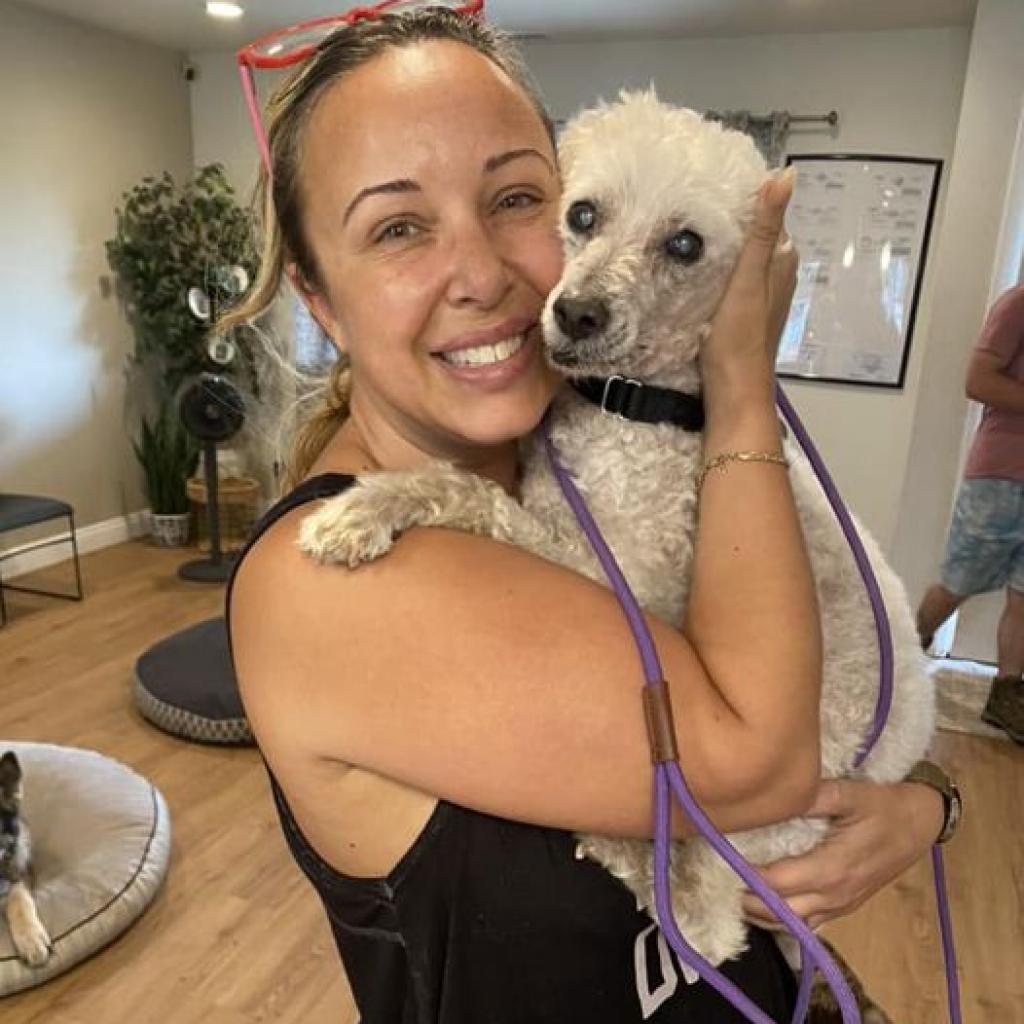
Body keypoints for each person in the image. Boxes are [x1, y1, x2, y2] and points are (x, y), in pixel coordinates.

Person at [225, 8, 954, 1021]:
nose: (484, 274)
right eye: (398, 226)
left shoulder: (576, 446)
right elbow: (760, 759)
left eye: (516, 197)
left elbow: (828, 668)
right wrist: (741, 381)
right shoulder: (335, 578)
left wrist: (926, 803)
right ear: (319, 298)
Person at [917, 281, 1024, 744]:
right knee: (960, 581)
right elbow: (978, 380)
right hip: (1001, 474)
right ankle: (900, 652)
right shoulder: (1018, 303)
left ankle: (1006, 695)